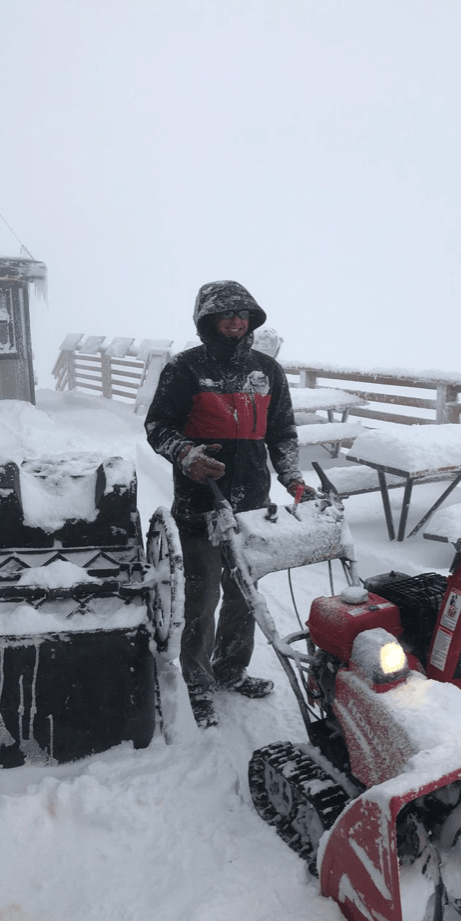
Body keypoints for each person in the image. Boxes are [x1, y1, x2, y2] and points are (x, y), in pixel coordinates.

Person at [145, 281, 315, 728]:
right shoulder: (185, 368)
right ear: (208, 319)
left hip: (253, 504)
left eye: (243, 313)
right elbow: (158, 426)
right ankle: (197, 683)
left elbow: (282, 434)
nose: (236, 320)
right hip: (201, 500)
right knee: (202, 597)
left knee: (244, 594)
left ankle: (231, 671)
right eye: (227, 313)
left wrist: (293, 478)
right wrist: (187, 454)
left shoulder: (267, 372)